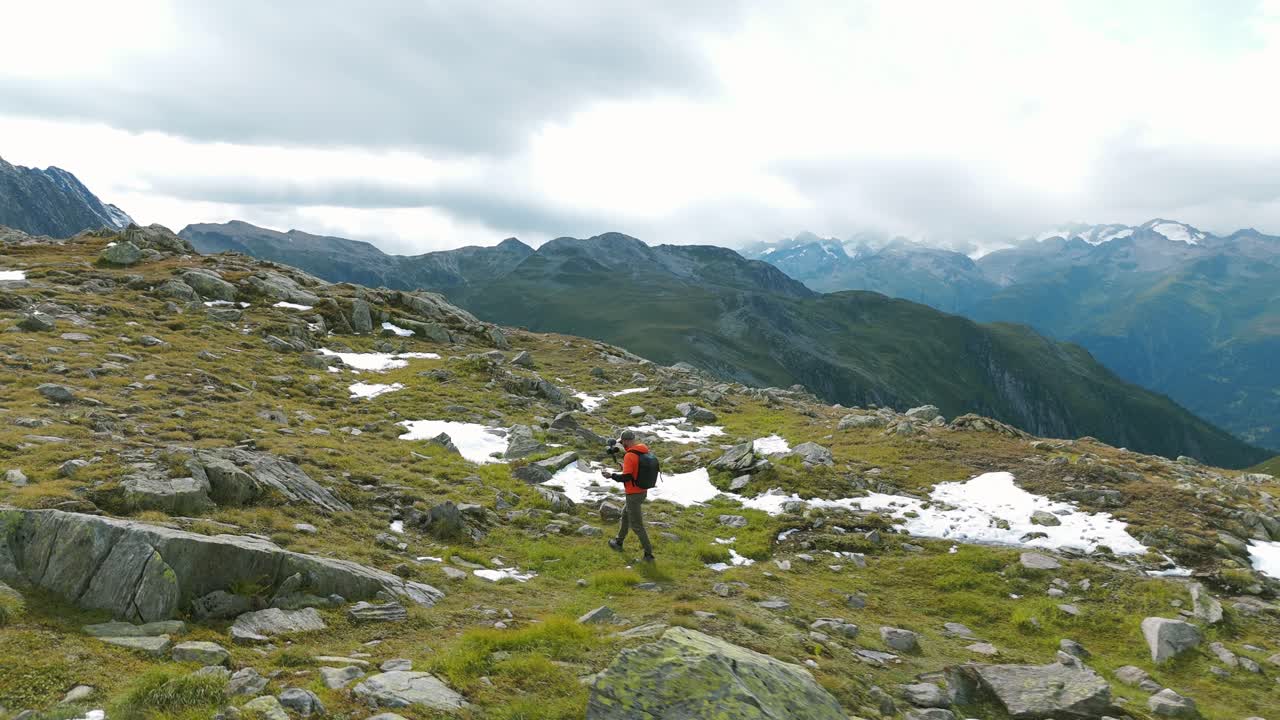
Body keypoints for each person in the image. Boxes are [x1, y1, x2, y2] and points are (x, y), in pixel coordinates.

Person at [600, 429, 655, 561]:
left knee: (637, 526)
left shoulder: (630, 455)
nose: (621, 445)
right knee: (625, 516)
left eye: (622, 442)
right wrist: (624, 467)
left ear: (625, 441)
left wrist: (611, 476)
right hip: (642, 491)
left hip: (633, 495)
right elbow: (636, 470)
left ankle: (649, 555)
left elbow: (627, 477)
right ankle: (618, 542)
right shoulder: (642, 450)